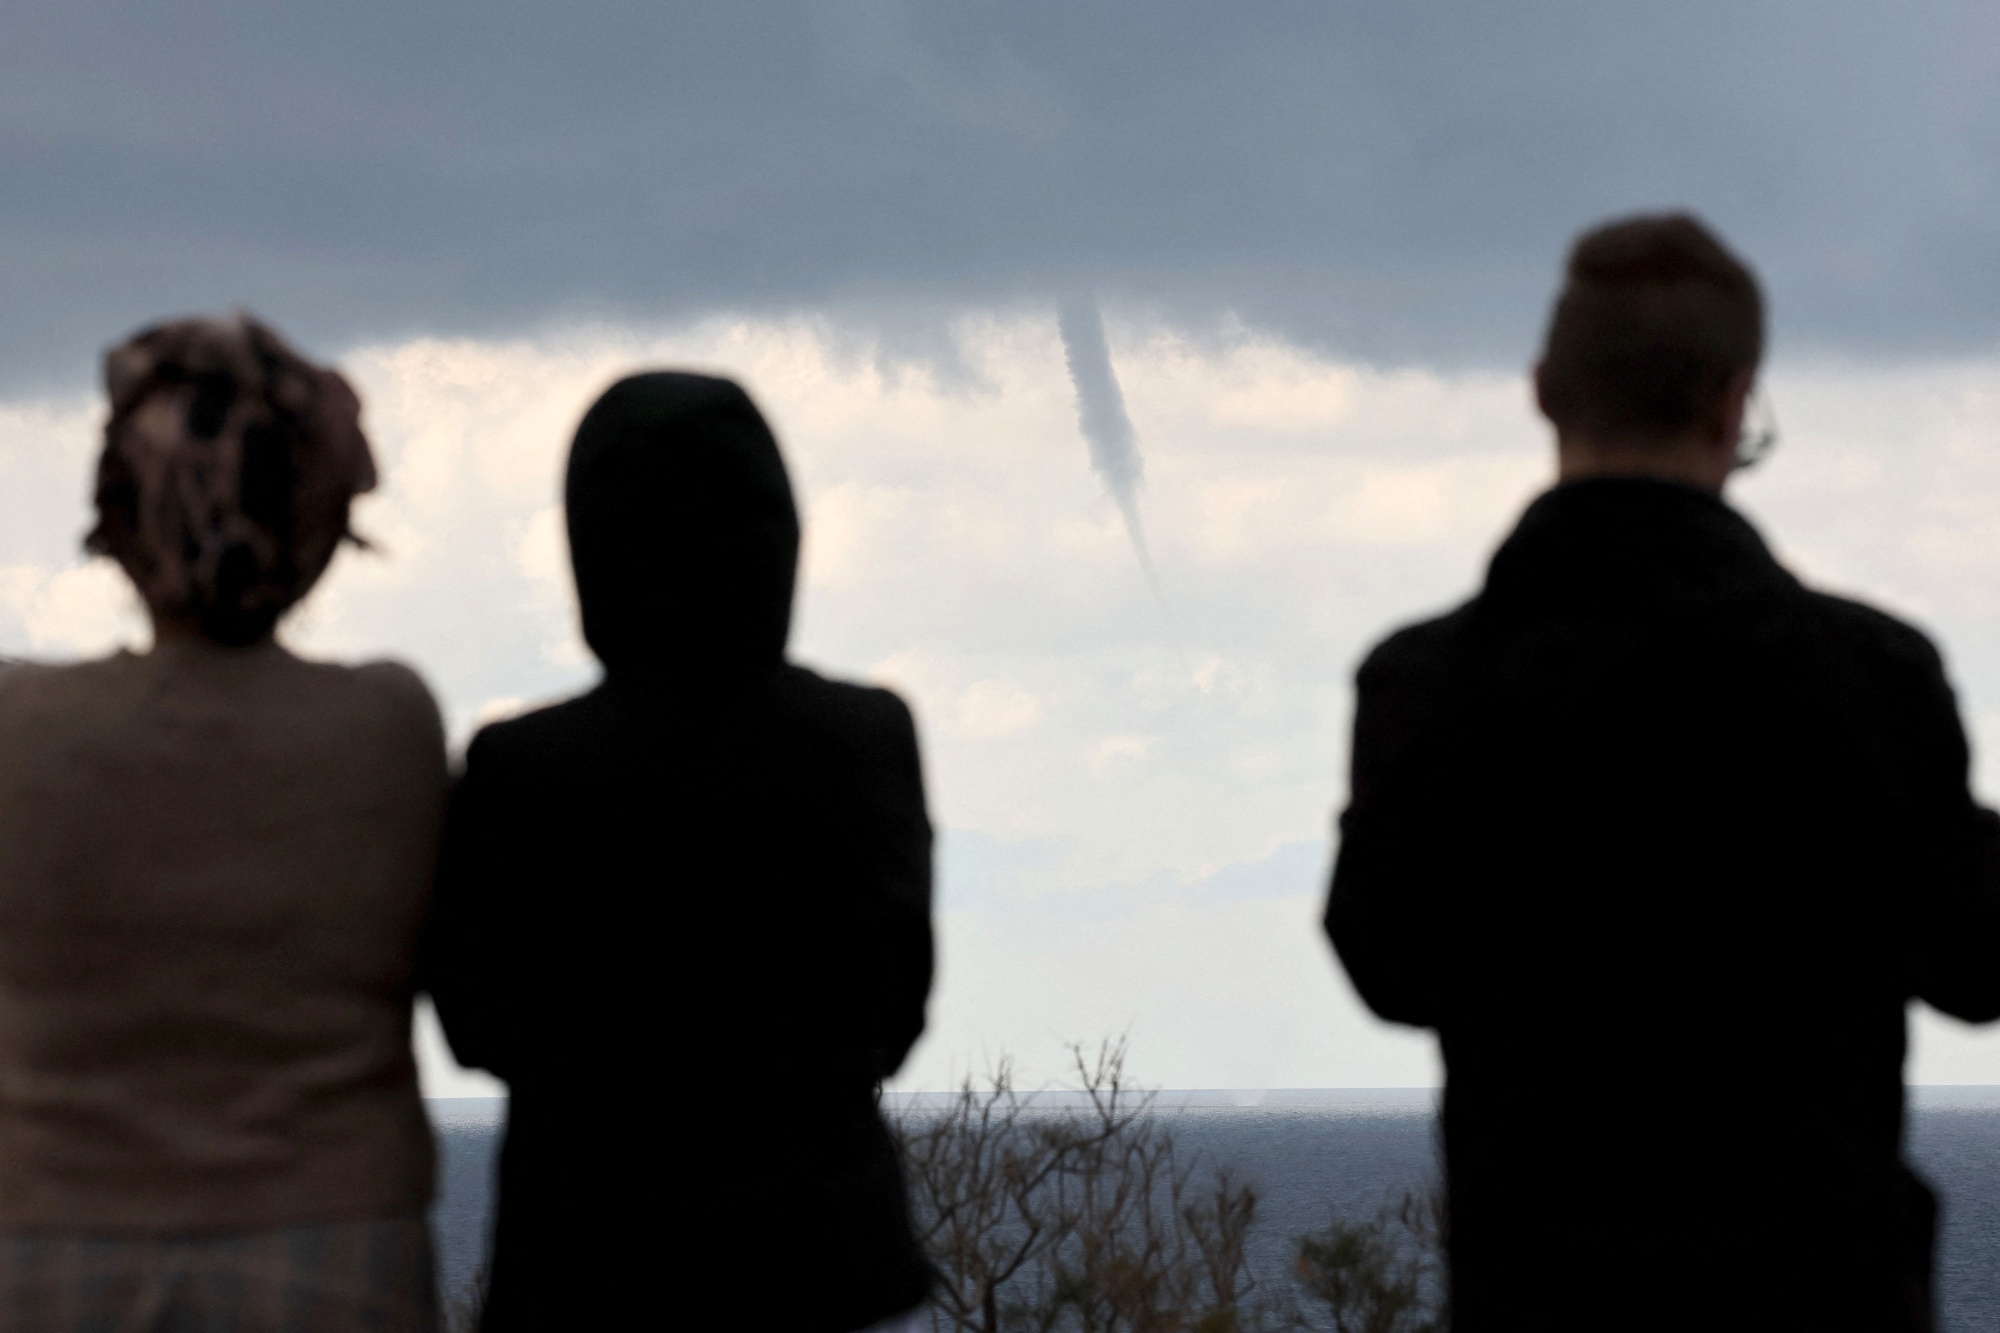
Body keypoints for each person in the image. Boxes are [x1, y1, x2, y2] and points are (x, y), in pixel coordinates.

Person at [1325, 214, 2000, 1333]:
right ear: (1733, 404)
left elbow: (1386, 962)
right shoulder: (1867, 674)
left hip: (1540, 1294)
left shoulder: (1427, 680)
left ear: (1542, 389)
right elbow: (1977, 961)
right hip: (1823, 1295)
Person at [425, 372, 935, 1331]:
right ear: (779, 537)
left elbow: (473, 1021)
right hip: (825, 1266)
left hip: (582, 1266)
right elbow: (895, 1008)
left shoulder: (520, 768)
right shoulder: (865, 739)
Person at [0, 315, 446, 1330]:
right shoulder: (385, 724)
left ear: (117, 517)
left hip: (56, 1248)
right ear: (311, 521)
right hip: (334, 1246)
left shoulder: (18, 728)